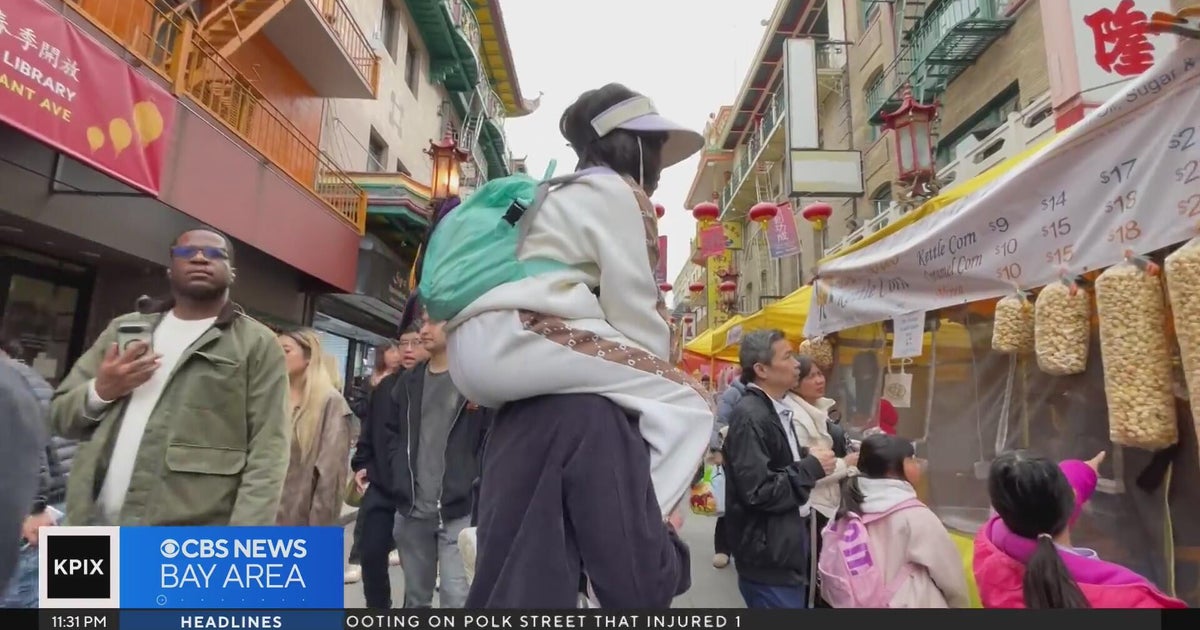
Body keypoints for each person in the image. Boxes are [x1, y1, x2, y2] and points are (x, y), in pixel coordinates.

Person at [443, 83, 714, 520]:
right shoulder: (619, 193)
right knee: (691, 404)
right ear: (631, 145)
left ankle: (500, 529)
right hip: (519, 334)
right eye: (655, 145)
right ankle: (634, 533)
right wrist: (663, 371)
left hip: (481, 347)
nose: (661, 164)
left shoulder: (557, 190)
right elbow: (638, 316)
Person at [49, 227, 291, 526]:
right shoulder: (124, 329)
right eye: (188, 253)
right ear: (169, 269)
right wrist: (102, 390)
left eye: (216, 254)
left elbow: (269, 453)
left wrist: (240, 546)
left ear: (232, 273)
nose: (201, 258)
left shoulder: (258, 344)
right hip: (88, 525)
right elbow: (60, 417)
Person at [356, 306, 491, 609]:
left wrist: (475, 478)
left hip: (459, 507)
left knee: (457, 597)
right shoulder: (407, 382)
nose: (424, 331)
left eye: (434, 323)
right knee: (416, 598)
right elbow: (392, 433)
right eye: (424, 323)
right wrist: (398, 473)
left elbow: (490, 436)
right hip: (413, 508)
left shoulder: (475, 379)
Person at [973, 451, 1185, 608]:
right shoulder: (1130, 600)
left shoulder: (989, 551)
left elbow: (1035, 501)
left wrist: (1082, 472)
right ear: (1068, 501)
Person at [723, 329, 836, 608]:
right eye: (787, 356)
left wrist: (806, 454)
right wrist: (809, 468)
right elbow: (759, 490)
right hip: (768, 554)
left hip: (782, 546)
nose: (798, 363)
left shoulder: (774, 407)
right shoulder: (752, 416)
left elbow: (773, 461)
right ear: (761, 369)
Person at [820, 434, 968, 608]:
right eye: (911, 459)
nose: (918, 464)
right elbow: (951, 578)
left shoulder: (845, 509)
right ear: (891, 469)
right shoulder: (916, 516)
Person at [346, 330, 427, 584]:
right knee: (370, 552)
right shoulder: (386, 387)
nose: (408, 349)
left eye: (416, 343)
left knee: (416, 567)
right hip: (381, 482)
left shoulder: (440, 387)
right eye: (404, 343)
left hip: (421, 489)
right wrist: (361, 464)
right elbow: (369, 431)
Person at [782, 356, 856, 606]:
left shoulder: (817, 410)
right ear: (794, 382)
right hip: (814, 507)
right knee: (815, 577)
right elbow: (809, 472)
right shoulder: (795, 417)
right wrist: (847, 464)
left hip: (826, 506)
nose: (820, 379)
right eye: (811, 376)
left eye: (820, 374)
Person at [276, 330, 354, 526]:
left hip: (298, 520)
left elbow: (330, 477)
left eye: (285, 351)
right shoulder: (271, 397)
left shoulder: (330, 403)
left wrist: (319, 533)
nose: (277, 357)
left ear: (309, 356)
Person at [0, 358, 46, 595]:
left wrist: (36, 509)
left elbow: (32, 453)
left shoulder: (9, 383)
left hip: (38, 511)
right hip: (64, 501)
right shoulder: (24, 377)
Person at [711, 366, 745, 570]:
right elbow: (721, 420)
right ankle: (722, 549)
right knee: (729, 503)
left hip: (755, 456)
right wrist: (717, 449)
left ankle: (743, 548)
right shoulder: (734, 393)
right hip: (732, 455)